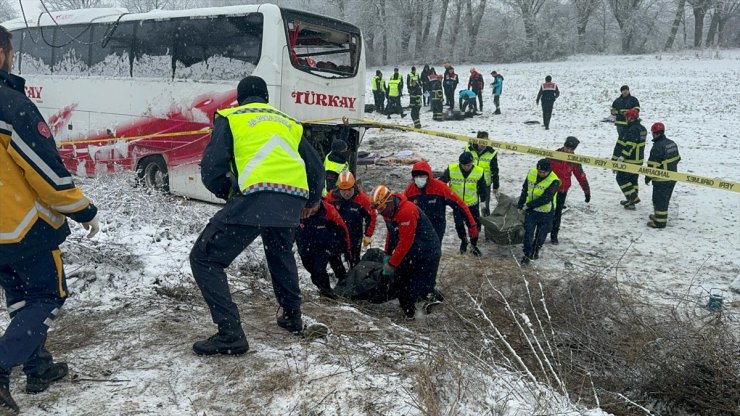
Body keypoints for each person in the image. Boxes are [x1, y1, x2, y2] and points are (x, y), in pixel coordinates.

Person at [0, 26, 101, 413]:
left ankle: (39, 368)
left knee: (21, 300)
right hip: (25, 229)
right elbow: (47, 174)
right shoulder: (11, 105)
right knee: (47, 295)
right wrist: (84, 210)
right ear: (3, 53)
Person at [189, 75, 325, 356]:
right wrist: (312, 200)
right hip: (291, 200)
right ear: (266, 98)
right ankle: (292, 316)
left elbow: (211, 168)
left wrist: (229, 192)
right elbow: (315, 167)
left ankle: (230, 333)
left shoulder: (231, 116)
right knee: (280, 251)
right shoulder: (287, 121)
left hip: (254, 197)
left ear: (239, 98)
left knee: (204, 257)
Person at [370, 185, 442, 318]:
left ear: (389, 201)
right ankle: (410, 311)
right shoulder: (388, 212)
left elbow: (405, 242)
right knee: (402, 283)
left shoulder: (406, 211)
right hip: (413, 250)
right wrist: (387, 253)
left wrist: (392, 264)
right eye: (378, 210)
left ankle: (429, 302)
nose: (380, 213)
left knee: (421, 287)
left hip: (428, 251)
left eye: (382, 208)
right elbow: (391, 234)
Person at [404, 161, 479, 254]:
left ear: (428, 176)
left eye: (422, 176)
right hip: (418, 226)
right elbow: (402, 210)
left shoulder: (439, 187)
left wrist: (471, 224)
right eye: (417, 176)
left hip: (436, 225)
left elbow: (459, 204)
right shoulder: (410, 191)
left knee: (433, 251)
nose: (419, 179)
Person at [296, 199, 352, 299]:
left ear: (319, 202)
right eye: (309, 206)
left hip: (324, 245)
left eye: (314, 206)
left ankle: (329, 293)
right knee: (313, 273)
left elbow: (343, 228)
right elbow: (289, 229)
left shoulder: (328, 210)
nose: (311, 209)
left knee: (319, 270)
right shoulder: (298, 210)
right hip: (305, 247)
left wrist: (347, 249)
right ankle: (323, 288)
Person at [325, 171, 377, 276]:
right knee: (334, 258)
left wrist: (368, 235)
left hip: (354, 234)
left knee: (354, 260)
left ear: (354, 186)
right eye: (343, 191)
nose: (347, 193)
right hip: (336, 234)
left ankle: (354, 279)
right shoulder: (331, 198)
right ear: (338, 189)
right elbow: (323, 213)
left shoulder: (362, 199)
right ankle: (342, 278)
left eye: (349, 189)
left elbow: (371, 215)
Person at [440, 152, 489, 255]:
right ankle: (463, 240)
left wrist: (483, 201)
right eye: (464, 165)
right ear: (460, 164)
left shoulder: (479, 171)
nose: (467, 167)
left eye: (469, 165)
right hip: (457, 204)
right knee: (458, 225)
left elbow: (482, 188)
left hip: (472, 204)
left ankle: (474, 245)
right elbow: (441, 183)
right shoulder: (452, 169)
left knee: (474, 226)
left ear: (472, 163)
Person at [547, 136, 590, 245]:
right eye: (567, 148)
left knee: (557, 213)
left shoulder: (574, 160)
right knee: (547, 212)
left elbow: (580, 175)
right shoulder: (554, 155)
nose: (568, 151)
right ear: (564, 145)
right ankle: (542, 232)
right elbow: (543, 169)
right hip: (550, 189)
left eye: (571, 149)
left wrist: (586, 191)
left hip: (563, 190)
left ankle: (554, 235)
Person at [517, 159, 560, 265]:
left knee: (540, 235)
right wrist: (520, 204)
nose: (540, 174)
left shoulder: (554, 181)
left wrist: (528, 205)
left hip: (545, 212)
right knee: (528, 233)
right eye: (539, 171)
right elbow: (525, 189)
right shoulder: (531, 173)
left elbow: (546, 198)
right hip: (531, 211)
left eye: (543, 172)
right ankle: (527, 254)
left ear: (549, 171)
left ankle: (535, 250)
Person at [645, 122, 681, 229]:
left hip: (661, 180)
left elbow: (652, 166)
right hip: (673, 177)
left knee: (659, 200)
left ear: (654, 133)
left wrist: (647, 177)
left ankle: (660, 222)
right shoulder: (672, 143)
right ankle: (658, 216)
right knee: (665, 199)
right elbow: (677, 158)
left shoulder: (657, 147)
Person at [611, 108, 646, 210]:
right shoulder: (642, 128)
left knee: (621, 178)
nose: (626, 119)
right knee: (633, 180)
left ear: (630, 118)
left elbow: (630, 145)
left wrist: (622, 157)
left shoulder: (632, 129)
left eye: (627, 117)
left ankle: (633, 198)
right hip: (638, 159)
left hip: (630, 160)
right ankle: (631, 202)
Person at [465, 131, 500, 217]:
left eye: (485, 141)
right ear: (477, 140)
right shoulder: (468, 149)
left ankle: (487, 225)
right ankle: (476, 226)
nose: (483, 144)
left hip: (485, 184)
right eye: (481, 141)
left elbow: (495, 170)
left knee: (485, 207)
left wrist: (496, 185)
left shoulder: (492, 153)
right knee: (473, 206)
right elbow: (463, 164)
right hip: (472, 182)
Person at [323, 117, 351, 195]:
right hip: (332, 197)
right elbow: (330, 188)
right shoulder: (332, 170)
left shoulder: (334, 153)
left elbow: (342, 141)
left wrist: (346, 127)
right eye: (345, 150)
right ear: (340, 152)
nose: (346, 151)